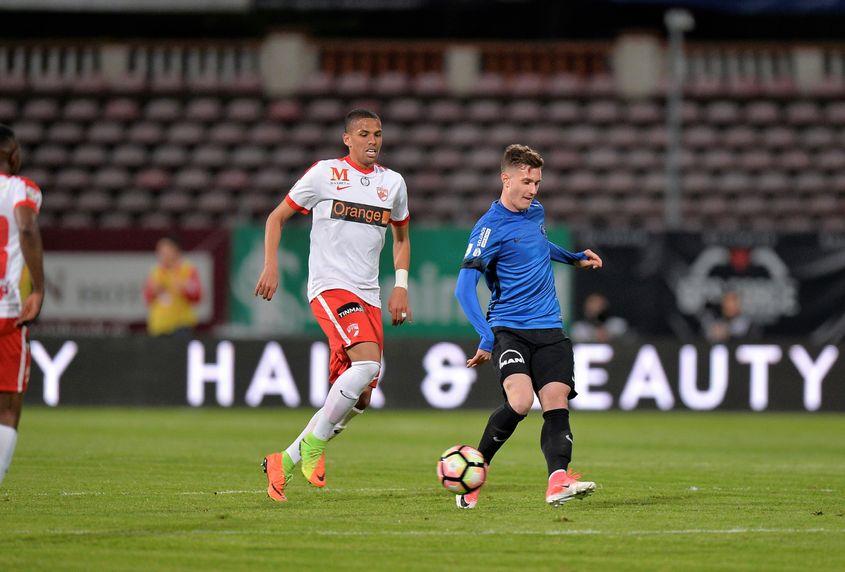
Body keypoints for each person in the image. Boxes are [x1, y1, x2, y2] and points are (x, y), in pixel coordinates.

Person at [255, 109, 411, 502]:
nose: (372, 141)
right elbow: (277, 217)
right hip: (330, 286)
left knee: (361, 397)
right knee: (368, 364)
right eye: (363, 134)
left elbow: (402, 238)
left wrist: (401, 286)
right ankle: (316, 444)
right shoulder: (324, 174)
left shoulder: (393, 184)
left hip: (369, 294)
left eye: (377, 133)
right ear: (347, 139)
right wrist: (271, 265)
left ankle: (285, 460)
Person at [454, 144, 603, 509]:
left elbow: (537, 243)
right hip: (510, 329)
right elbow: (463, 288)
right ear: (505, 179)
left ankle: (557, 481)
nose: (533, 189)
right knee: (520, 402)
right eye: (526, 181)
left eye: (537, 182)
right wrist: (487, 335)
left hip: (550, 329)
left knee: (556, 401)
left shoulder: (535, 211)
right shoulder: (488, 228)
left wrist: (572, 258)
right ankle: (474, 473)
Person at [0, 124, 44, 487]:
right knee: (9, 404)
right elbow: (26, 227)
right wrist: (39, 287)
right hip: (6, 311)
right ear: (13, 156)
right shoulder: (21, 189)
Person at [143, 236, 202, 336]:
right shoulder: (156, 272)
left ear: (176, 251)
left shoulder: (187, 270)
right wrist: (154, 291)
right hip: (159, 326)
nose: (163, 255)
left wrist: (184, 288)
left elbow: (197, 296)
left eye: (166, 251)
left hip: (181, 326)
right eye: (160, 251)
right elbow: (147, 298)